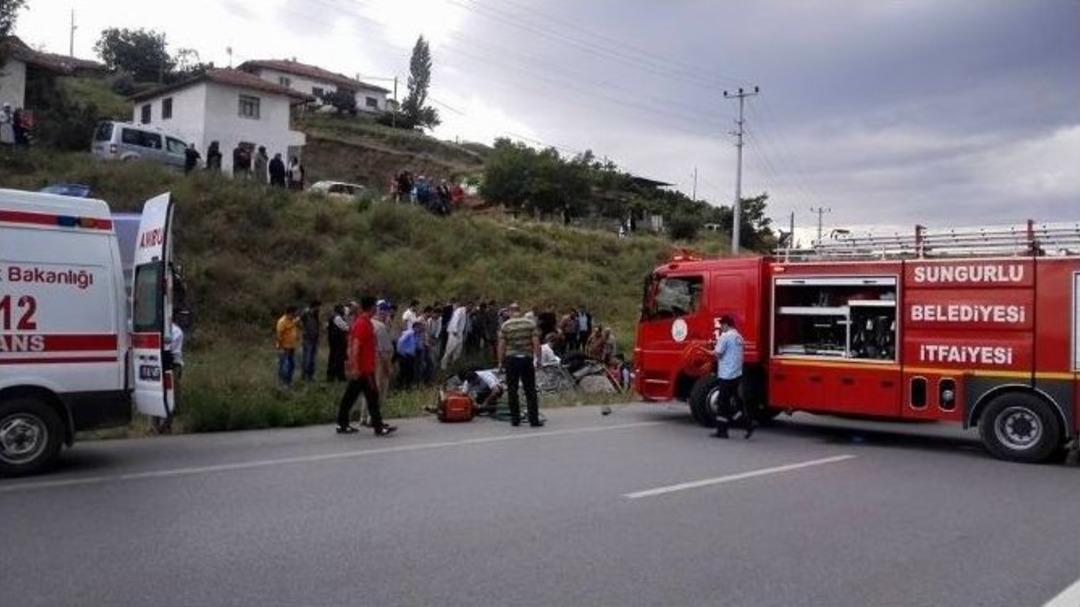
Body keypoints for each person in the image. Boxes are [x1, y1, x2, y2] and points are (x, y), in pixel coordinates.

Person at [337, 296, 396, 436]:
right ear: (371, 307)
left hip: (364, 368)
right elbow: (356, 345)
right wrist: (356, 367)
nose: (376, 308)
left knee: (350, 397)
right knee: (373, 397)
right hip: (364, 369)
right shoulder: (363, 323)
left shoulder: (365, 322)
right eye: (375, 306)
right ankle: (378, 427)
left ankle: (342, 424)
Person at [498, 303, 542, 427]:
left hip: (511, 359)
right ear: (520, 311)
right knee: (530, 390)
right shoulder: (530, 323)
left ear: (510, 312)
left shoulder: (505, 325)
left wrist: (500, 362)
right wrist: (538, 359)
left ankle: (515, 419)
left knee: (512, 390)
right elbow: (536, 342)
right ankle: (534, 420)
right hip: (527, 359)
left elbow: (501, 345)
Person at [713, 315, 753, 439]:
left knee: (722, 403)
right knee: (736, 401)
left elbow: (718, 354)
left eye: (721, 325)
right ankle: (747, 423)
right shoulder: (739, 337)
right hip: (737, 374)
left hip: (726, 375)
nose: (721, 328)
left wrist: (712, 351)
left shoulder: (725, 337)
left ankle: (722, 431)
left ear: (726, 324)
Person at [372, 301, 395, 414]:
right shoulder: (380, 327)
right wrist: (388, 367)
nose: (388, 313)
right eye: (386, 310)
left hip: (371, 361)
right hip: (380, 362)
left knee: (370, 389)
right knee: (380, 388)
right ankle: (375, 417)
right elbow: (385, 350)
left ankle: (365, 417)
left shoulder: (369, 322)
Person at [275, 305, 301, 387]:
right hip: (284, 347)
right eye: (294, 313)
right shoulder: (282, 322)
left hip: (291, 346)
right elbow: (279, 335)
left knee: (291, 365)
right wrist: (280, 347)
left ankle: (288, 382)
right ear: (290, 313)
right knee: (284, 366)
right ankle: (283, 383)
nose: (295, 315)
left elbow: (293, 330)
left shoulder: (291, 321)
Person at [441, 301, 468, 370]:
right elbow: (455, 320)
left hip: (460, 333)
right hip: (453, 333)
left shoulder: (465, 312)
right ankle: (443, 365)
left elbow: (463, 324)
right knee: (449, 350)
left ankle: (453, 364)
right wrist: (454, 330)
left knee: (457, 351)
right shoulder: (459, 311)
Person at [326, 304, 349, 382]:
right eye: (342, 309)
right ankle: (338, 377)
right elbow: (346, 327)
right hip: (338, 342)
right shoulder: (337, 318)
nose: (344, 310)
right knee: (338, 360)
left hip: (333, 342)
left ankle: (332, 377)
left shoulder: (332, 317)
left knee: (333, 359)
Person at [299, 300, 321, 381]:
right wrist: (304, 330)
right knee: (307, 359)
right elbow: (298, 322)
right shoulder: (305, 313)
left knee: (312, 359)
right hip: (307, 339)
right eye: (318, 306)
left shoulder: (316, 314)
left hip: (314, 339)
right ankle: (304, 376)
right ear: (314, 306)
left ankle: (310, 376)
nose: (319, 308)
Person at [396, 321, 421, 388]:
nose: (420, 329)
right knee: (403, 371)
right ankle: (399, 385)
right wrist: (400, 352)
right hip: (404, 355)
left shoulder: (417, 335)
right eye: (419, 328)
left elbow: (417, 345)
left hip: (411, 356)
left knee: (410, 371)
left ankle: (408, 385)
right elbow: (400, 341)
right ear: (415, 327)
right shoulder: (409, 333)